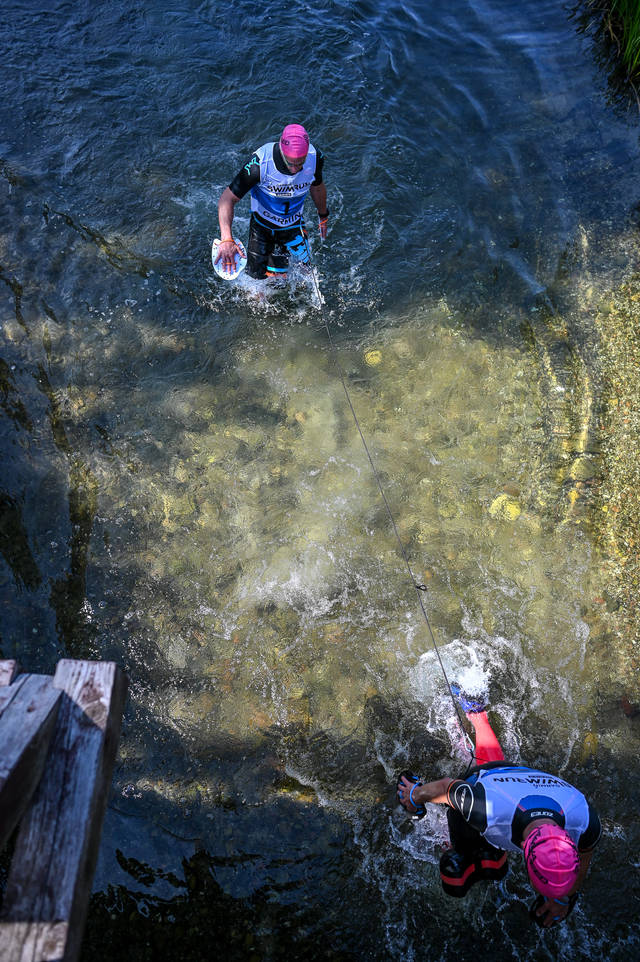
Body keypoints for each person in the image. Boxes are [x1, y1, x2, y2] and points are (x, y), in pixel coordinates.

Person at [397, 688, 601, 929]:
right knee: (464, 860)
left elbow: (585, 855)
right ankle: (470, 715)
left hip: (524, 784)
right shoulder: (487, 811)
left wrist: (565, 897)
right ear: (523, 848)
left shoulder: (586, 822)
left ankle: (478, 713)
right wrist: (413, 795)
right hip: (488, 787)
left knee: (494, 769)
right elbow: (447, 788)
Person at [215, 123, 328, 279]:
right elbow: (226, 199)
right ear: (282, 152)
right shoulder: (259, 165)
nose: (295, 170)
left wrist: (323, 215)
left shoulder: (315, 158)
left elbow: (317, 186)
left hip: (294, 224)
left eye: (300, 163)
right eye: (291, 163)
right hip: (262, 227)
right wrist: (226, 238)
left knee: (308, 276)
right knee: (257, 284)